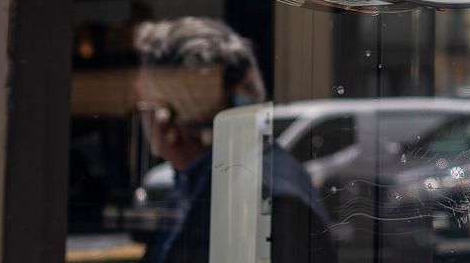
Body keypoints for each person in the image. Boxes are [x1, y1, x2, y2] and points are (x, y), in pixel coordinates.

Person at [134, 17, 333, 263]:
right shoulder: (198, 180)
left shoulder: (271, 200)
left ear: (171, 116)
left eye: (147, 105)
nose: (146, 117)